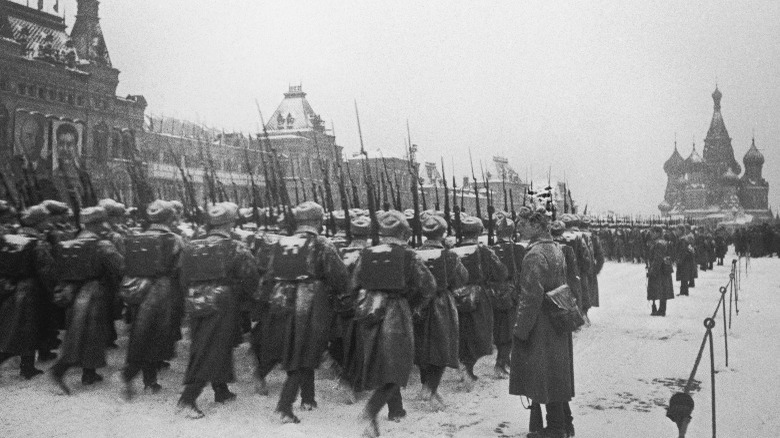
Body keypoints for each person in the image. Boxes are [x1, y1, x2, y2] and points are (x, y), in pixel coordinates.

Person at [262, 201, 349, 423]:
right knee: (307, 351)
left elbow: (270, 273)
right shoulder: (322, 244)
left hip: (282, 301)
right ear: (318, 221)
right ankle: (285, 406)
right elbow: (339, 277)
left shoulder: (282, 243)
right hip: (311, 302)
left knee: (297, 350)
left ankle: (308, 398)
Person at [351, 210, 436, 437]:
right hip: (397, 313)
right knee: (398, 365)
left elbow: (354, 283)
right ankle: (370, 413)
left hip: (369, 312)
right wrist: (413, 305)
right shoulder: (408, 255)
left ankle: (394, 409)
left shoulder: (367, 253)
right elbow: (429, 285)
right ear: (403, 231)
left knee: (382, 364)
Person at [177, 202, 259, 419]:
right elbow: (251, 278)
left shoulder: (191, 246)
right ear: (230, 223)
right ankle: (187, 399)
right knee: (213, 348)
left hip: (196, 301)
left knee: (206, 344)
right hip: (223, 301)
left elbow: (182, 277)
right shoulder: (236, 247)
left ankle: (221, 390)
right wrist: (250, 302)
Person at [510, 206, 575, 438]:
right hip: (556, 320)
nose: (518, 226)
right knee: (556, 374)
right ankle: (564, 423)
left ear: (537, 226)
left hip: (540, 325)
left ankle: (556, 428)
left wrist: (520, 330)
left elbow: (530, 297)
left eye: (523, 222)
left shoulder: (534, 255)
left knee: (543, 374)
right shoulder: (555, 248)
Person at [50, 206, 126, 394]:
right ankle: (59, 371)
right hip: (95, 293)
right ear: (98, 224)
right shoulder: (102, 245)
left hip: (73, 294)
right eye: (102, 223)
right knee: (87, 335)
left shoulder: (71, 243)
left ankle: (89, 373)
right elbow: (120, 267)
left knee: (86, 334)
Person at [121, 200, 185, 399]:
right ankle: (148, 381)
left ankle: (137, 375)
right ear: (169, 217)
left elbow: (127, 265)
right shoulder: (175, 240)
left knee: (141, 334)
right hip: (164, 290)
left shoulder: (136, 238)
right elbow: (181, 269)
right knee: (158, 335)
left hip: (138, 290)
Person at [414, 214, 467, 410]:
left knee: (421, 346)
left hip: (418, 304)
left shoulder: (414, 254)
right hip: (442, 304)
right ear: (442, 233)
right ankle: (431, 387)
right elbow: (462, 277)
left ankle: (425, 386)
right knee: (443, 346)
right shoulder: (450, 256)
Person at [452, 215, 507, 391]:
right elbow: (501, 272)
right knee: (480, 333)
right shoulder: (484, 251)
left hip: (456, 295)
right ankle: (467, 367)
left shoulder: (453, 250)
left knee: (461, 331)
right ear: (479, 231)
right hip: (478, 296)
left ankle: (464, 364)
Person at [0, 205, 56, 379]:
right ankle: (27, 368)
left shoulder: (10, 238)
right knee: (28, 329)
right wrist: (53, 290)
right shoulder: (37, 243)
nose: (48, 223)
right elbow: (46, 271)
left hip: (11, 287)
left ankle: (28, 367)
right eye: (46, 219)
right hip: (32, 290)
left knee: (19, 329)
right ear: (38, 222)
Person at [489, 212, 525, 379]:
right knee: (510, 329)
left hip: (493, 293)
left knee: (498, 328)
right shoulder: (517, 249)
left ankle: (505, 359)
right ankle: (500, 363)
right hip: (511, 293)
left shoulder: (491, 249)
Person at [646, 226, 674, 317]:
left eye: (652, 232)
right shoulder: (663, 242)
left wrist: (652, 270)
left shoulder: (658, 244)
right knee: (663, 289)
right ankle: (661, 309)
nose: (651, 234)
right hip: (664, 269)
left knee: (660, 289)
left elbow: (657, 258)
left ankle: (661, 310)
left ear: (657, 233)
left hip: (660, 270)